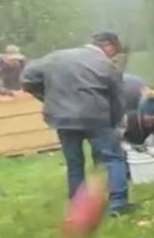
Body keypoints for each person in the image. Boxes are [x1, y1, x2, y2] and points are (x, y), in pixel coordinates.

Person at [24, 33, 131, 217]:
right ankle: (118, 205)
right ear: (108, 46)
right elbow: (117, 97)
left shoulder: (56, 57)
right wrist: (116, 123)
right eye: (114, 52)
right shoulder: (105, 64)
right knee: (115, 158)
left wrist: (47, 97)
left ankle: (77, 208)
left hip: (62, 118)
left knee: (74, 164)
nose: (113, 57)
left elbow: (27, 79)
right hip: (96, 116)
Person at [119, 74, 154, 154]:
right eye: (149, 117)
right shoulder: (127, 119)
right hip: (126, 149)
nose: (151, 120)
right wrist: (130, 146)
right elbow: (115, 141)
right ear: (141, 113)